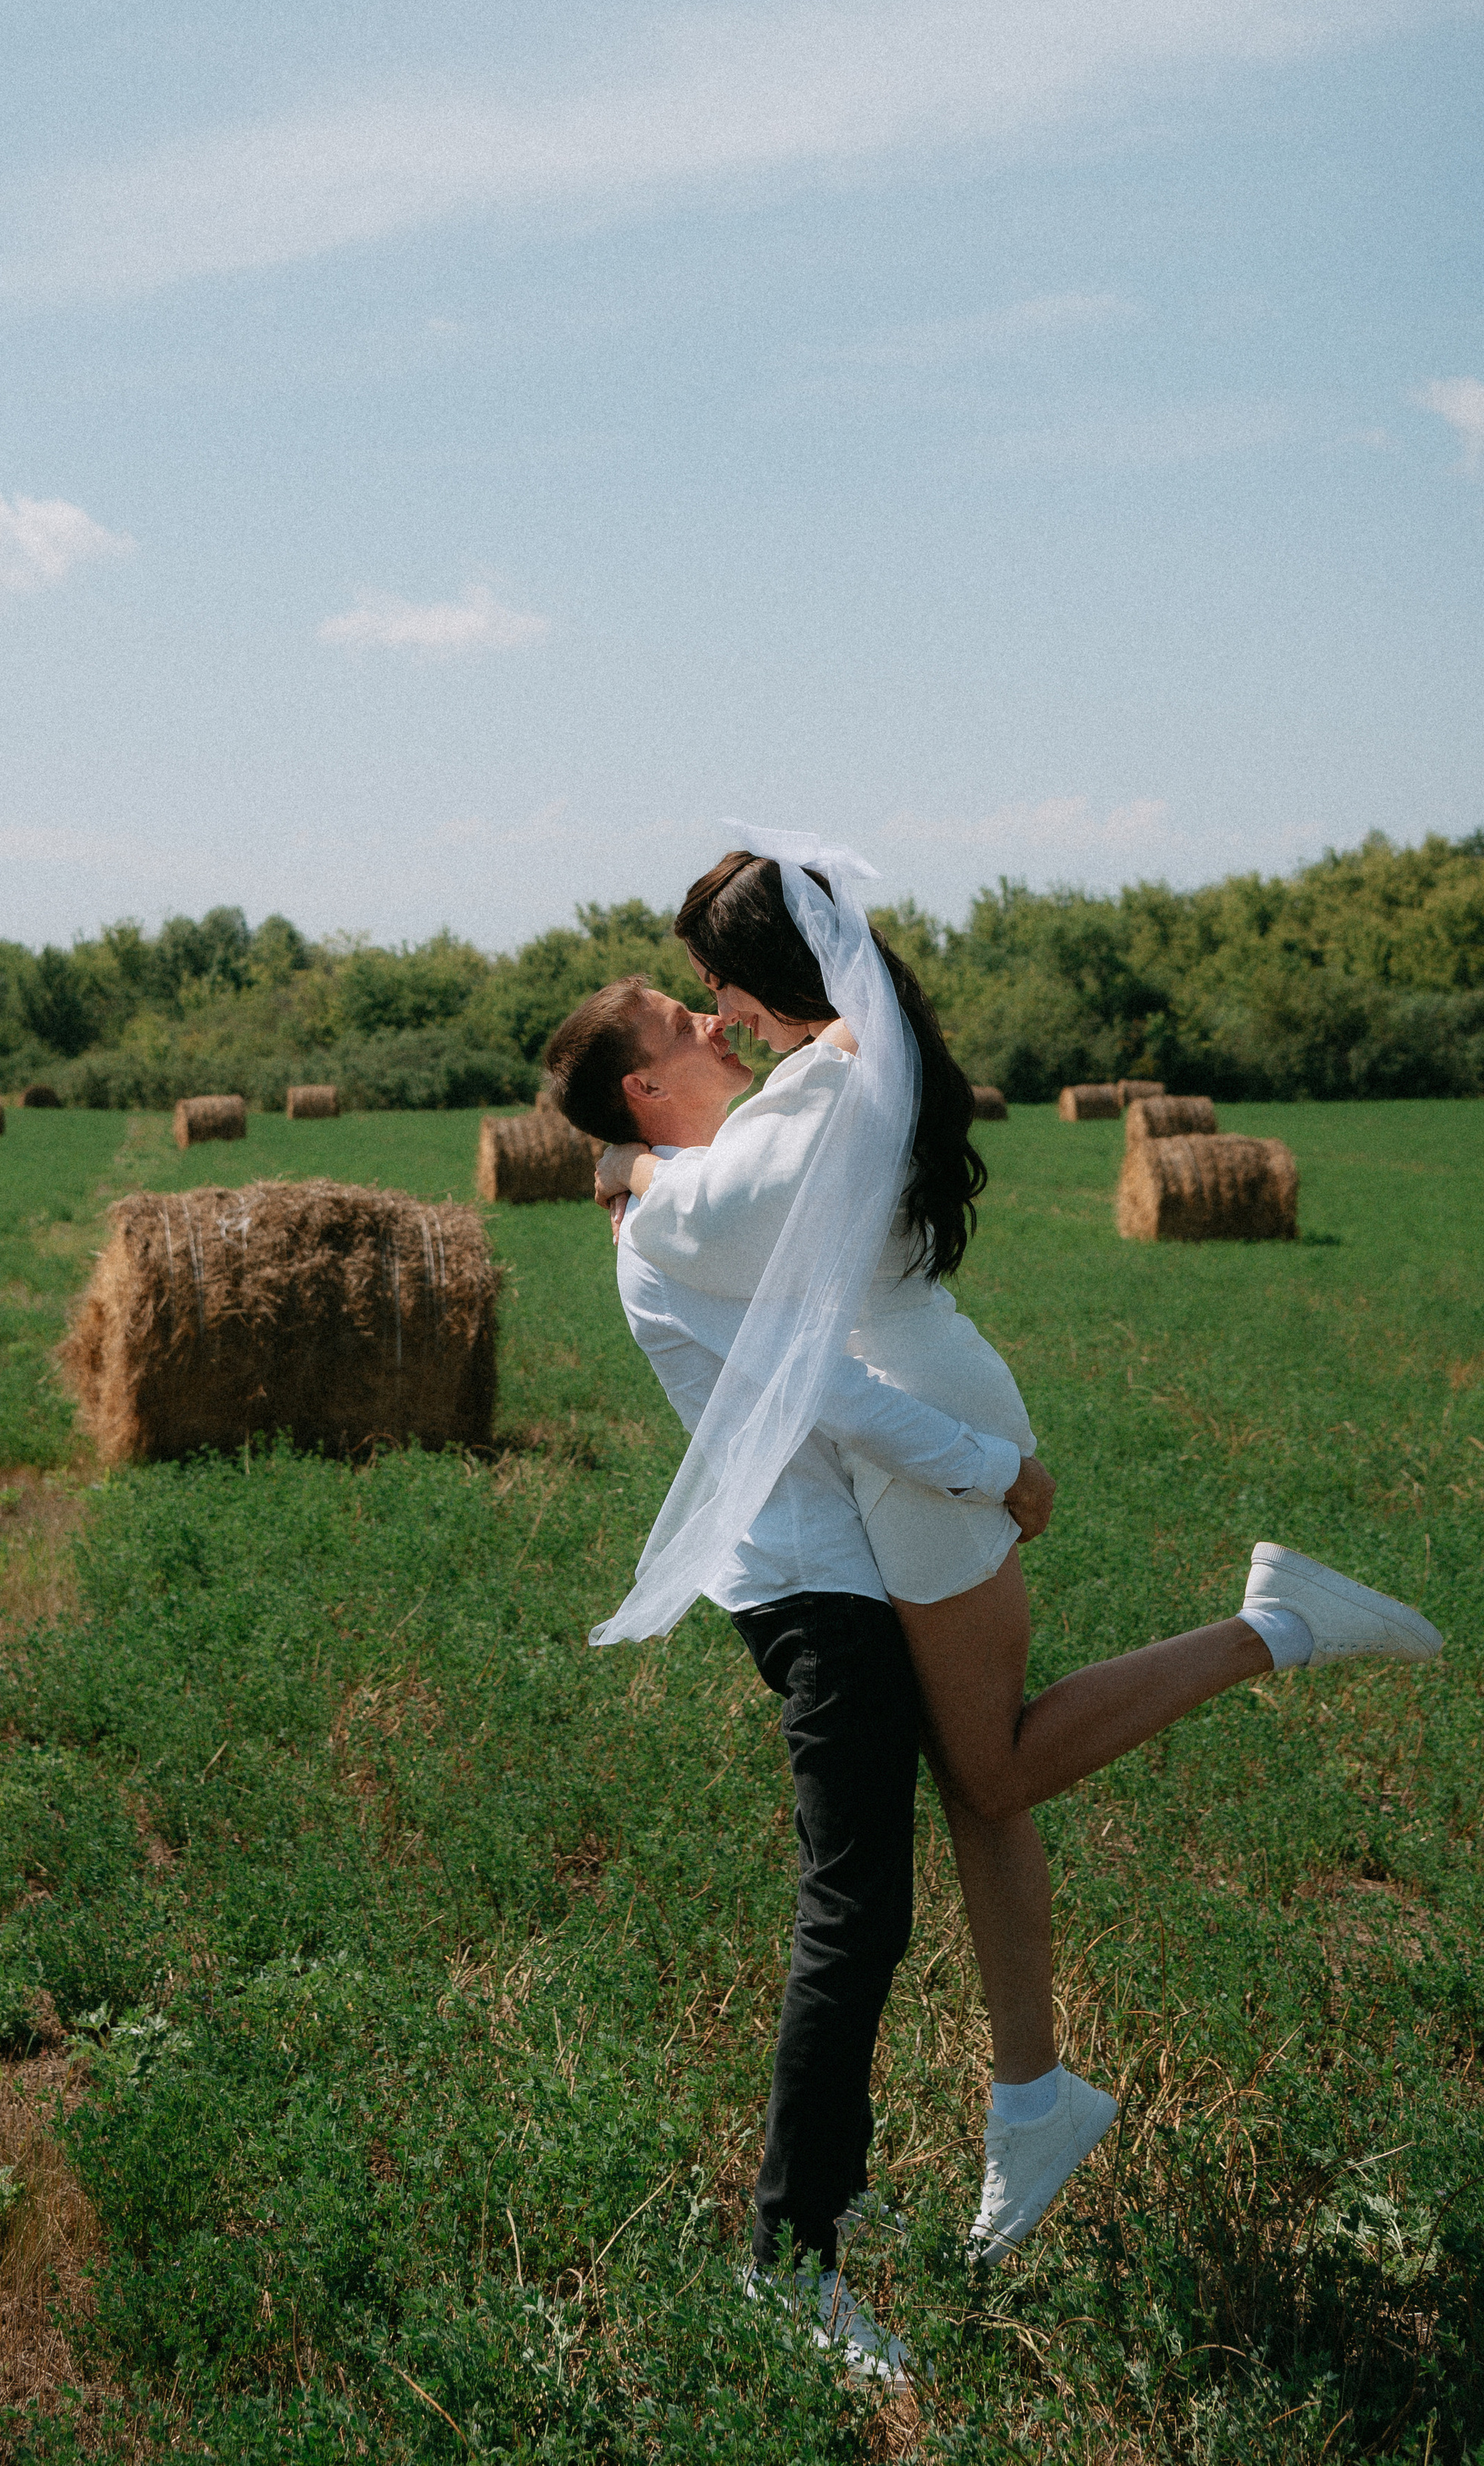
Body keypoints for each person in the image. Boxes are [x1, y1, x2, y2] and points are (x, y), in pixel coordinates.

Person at [550, 838, 1442, 2291]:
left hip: (919, 1443)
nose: (707, 1016)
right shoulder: (858, 1058)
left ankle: (1268, 1626)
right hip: (923, 1418)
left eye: (710, 990)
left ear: (760, 986)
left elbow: (697, 1217)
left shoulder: (800, 1113)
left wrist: (630, 1161)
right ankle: (1030, 2098)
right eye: (681, 1014)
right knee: (979, 1785)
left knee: (995, 1771)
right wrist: (643, 1148)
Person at [543, 976, 1047, 2378]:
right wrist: (995, 1470)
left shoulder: (691, 1181)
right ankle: (792, 2254)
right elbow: (817, 1383)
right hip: (812, 1588)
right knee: (857, 1911)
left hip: (836, 1568)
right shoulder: (670, 1225)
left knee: (875, 1900)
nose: (711, 1023)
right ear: (643, 1086)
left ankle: (830, 2190)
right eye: (674, 1019)